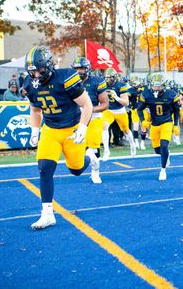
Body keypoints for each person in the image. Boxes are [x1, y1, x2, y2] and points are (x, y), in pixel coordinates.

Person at [23, 46, 94, 230]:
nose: (36, 75)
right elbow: (35, 109)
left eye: (39, 70)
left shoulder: (65, 77)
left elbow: (87, 105)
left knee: (76, 170)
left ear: (49, 66)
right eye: (33, 71)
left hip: (72, 130)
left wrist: (82, 128)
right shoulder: (29, 84)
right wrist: (34, 131)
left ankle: (90, 157)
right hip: (51, 130)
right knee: (44, 168)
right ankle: (47, 214)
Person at [72, 57, 109, 184]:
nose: (78, 72)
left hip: (94, 118)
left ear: (87, 69)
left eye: (81, 68)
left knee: (93, 148)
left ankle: (95, 172)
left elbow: (105, 104)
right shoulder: (70, 82)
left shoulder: (97, 81)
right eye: (76, 69)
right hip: (77, 119)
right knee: (79, 147)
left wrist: (89, 109)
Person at [137, 74, 181, 181]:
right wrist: (143, 121)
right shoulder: (146, 94)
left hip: (167, 122)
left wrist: (175, 124)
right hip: (154, 124)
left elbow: (176, 110)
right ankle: (166, 155)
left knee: (164, 145)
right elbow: (139, 109)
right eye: (154, 86)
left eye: (159, 86)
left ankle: (163, 170)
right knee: (157, 150)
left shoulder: (171, 95)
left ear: (164, 86)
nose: (156, 88)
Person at [101, 67, 137, 160]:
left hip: (120, 110)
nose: (108, 80)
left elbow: (126, 103)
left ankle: (132, 145)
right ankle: (106, 150)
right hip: (108, 110)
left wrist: (116, 97)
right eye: (106, 77)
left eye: (110, 78)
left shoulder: (121, 85)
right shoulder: (102, 85)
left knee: (125, 130)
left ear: (115, 77)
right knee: (104, 126)